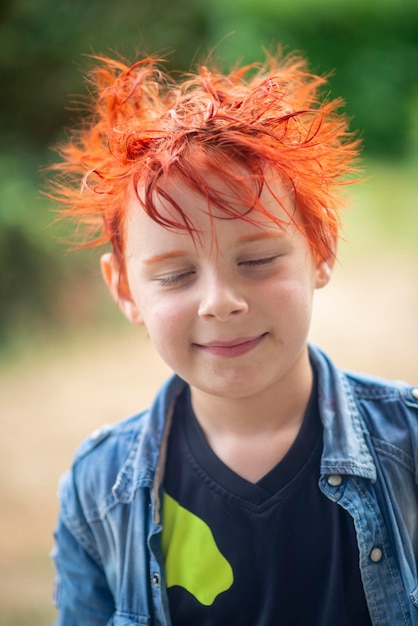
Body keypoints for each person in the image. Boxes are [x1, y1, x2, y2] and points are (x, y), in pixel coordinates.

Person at [49, 50, 418, 626]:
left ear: (320, 253)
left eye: (259, 259)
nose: (221, 301)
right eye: (175, 275)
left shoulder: (410, 448)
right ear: (124, 289)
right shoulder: (98, 491)